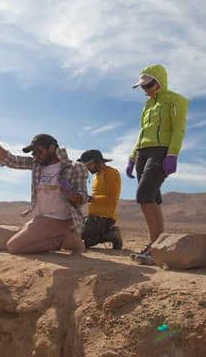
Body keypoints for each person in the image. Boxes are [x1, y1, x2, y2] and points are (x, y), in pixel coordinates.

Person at [0, 133, 88, 254]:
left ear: (52, 148)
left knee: (13, 246)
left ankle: (63, 239)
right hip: (40, 218)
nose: (36, 156)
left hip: (61, 219)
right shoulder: (37, 165)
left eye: (39, 151)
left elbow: (82, 198)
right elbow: (12, 161)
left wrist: (69, 193)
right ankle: (66, 239)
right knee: (11, 240)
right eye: (33, 153)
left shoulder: (75, 167)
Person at [126, 64, 188, 265]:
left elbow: (179, 129)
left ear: (160, 81)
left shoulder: (176, 100)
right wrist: (132, 157)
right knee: (152, 197)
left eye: (149, 84)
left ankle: (155, 247)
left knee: (144, 194)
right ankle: (157, 246)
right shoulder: (147, 105)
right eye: (143, 86)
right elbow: (142, 132)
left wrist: (173, 154)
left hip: (161, 151)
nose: (145, 89)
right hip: (143, 152)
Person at [77, 149, 123, 249]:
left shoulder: (111, 173)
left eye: (89, 164)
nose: (87, 168)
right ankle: (105, 233)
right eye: (85, 166)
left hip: (104, 217)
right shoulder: (97, 175)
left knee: (78, 242)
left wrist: (90, 199)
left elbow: (111, 197)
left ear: (98, 161)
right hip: (94, 217)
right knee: (73, 234)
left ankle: (112, 234)